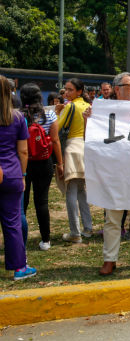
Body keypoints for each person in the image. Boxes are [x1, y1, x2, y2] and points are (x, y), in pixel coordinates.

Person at [97, 72, 130, 276]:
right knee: (113, 218)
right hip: (115, 171)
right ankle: (109, 259)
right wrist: (90, 120)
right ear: (117, 89)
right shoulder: (105, 111)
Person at [0, 75, 36, 280]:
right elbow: (23, 152)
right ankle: (19, 268)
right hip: (12, 174)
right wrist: (22, 175)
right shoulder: (17, 118)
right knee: (12, 222)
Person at [20, 84, 63, 251]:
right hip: (44, 162)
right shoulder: (50, 114)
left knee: (22, 203)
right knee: (42, 201)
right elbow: (55, 140)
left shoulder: (18, 115)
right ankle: (46, 240)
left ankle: (19, 240)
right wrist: (59, 163)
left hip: (23, 162)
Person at [56, 78, 92, 243]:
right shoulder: (89, 106)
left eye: (70, 90)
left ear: (79, 91)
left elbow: (56, 127)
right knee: (81, 190)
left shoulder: (70, 106)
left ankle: (75, 232)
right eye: (66, 89)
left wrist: (57, 112)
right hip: (87, 148)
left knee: (71, 190)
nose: (67, 92)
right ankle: (88, 227)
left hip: (72, 148)